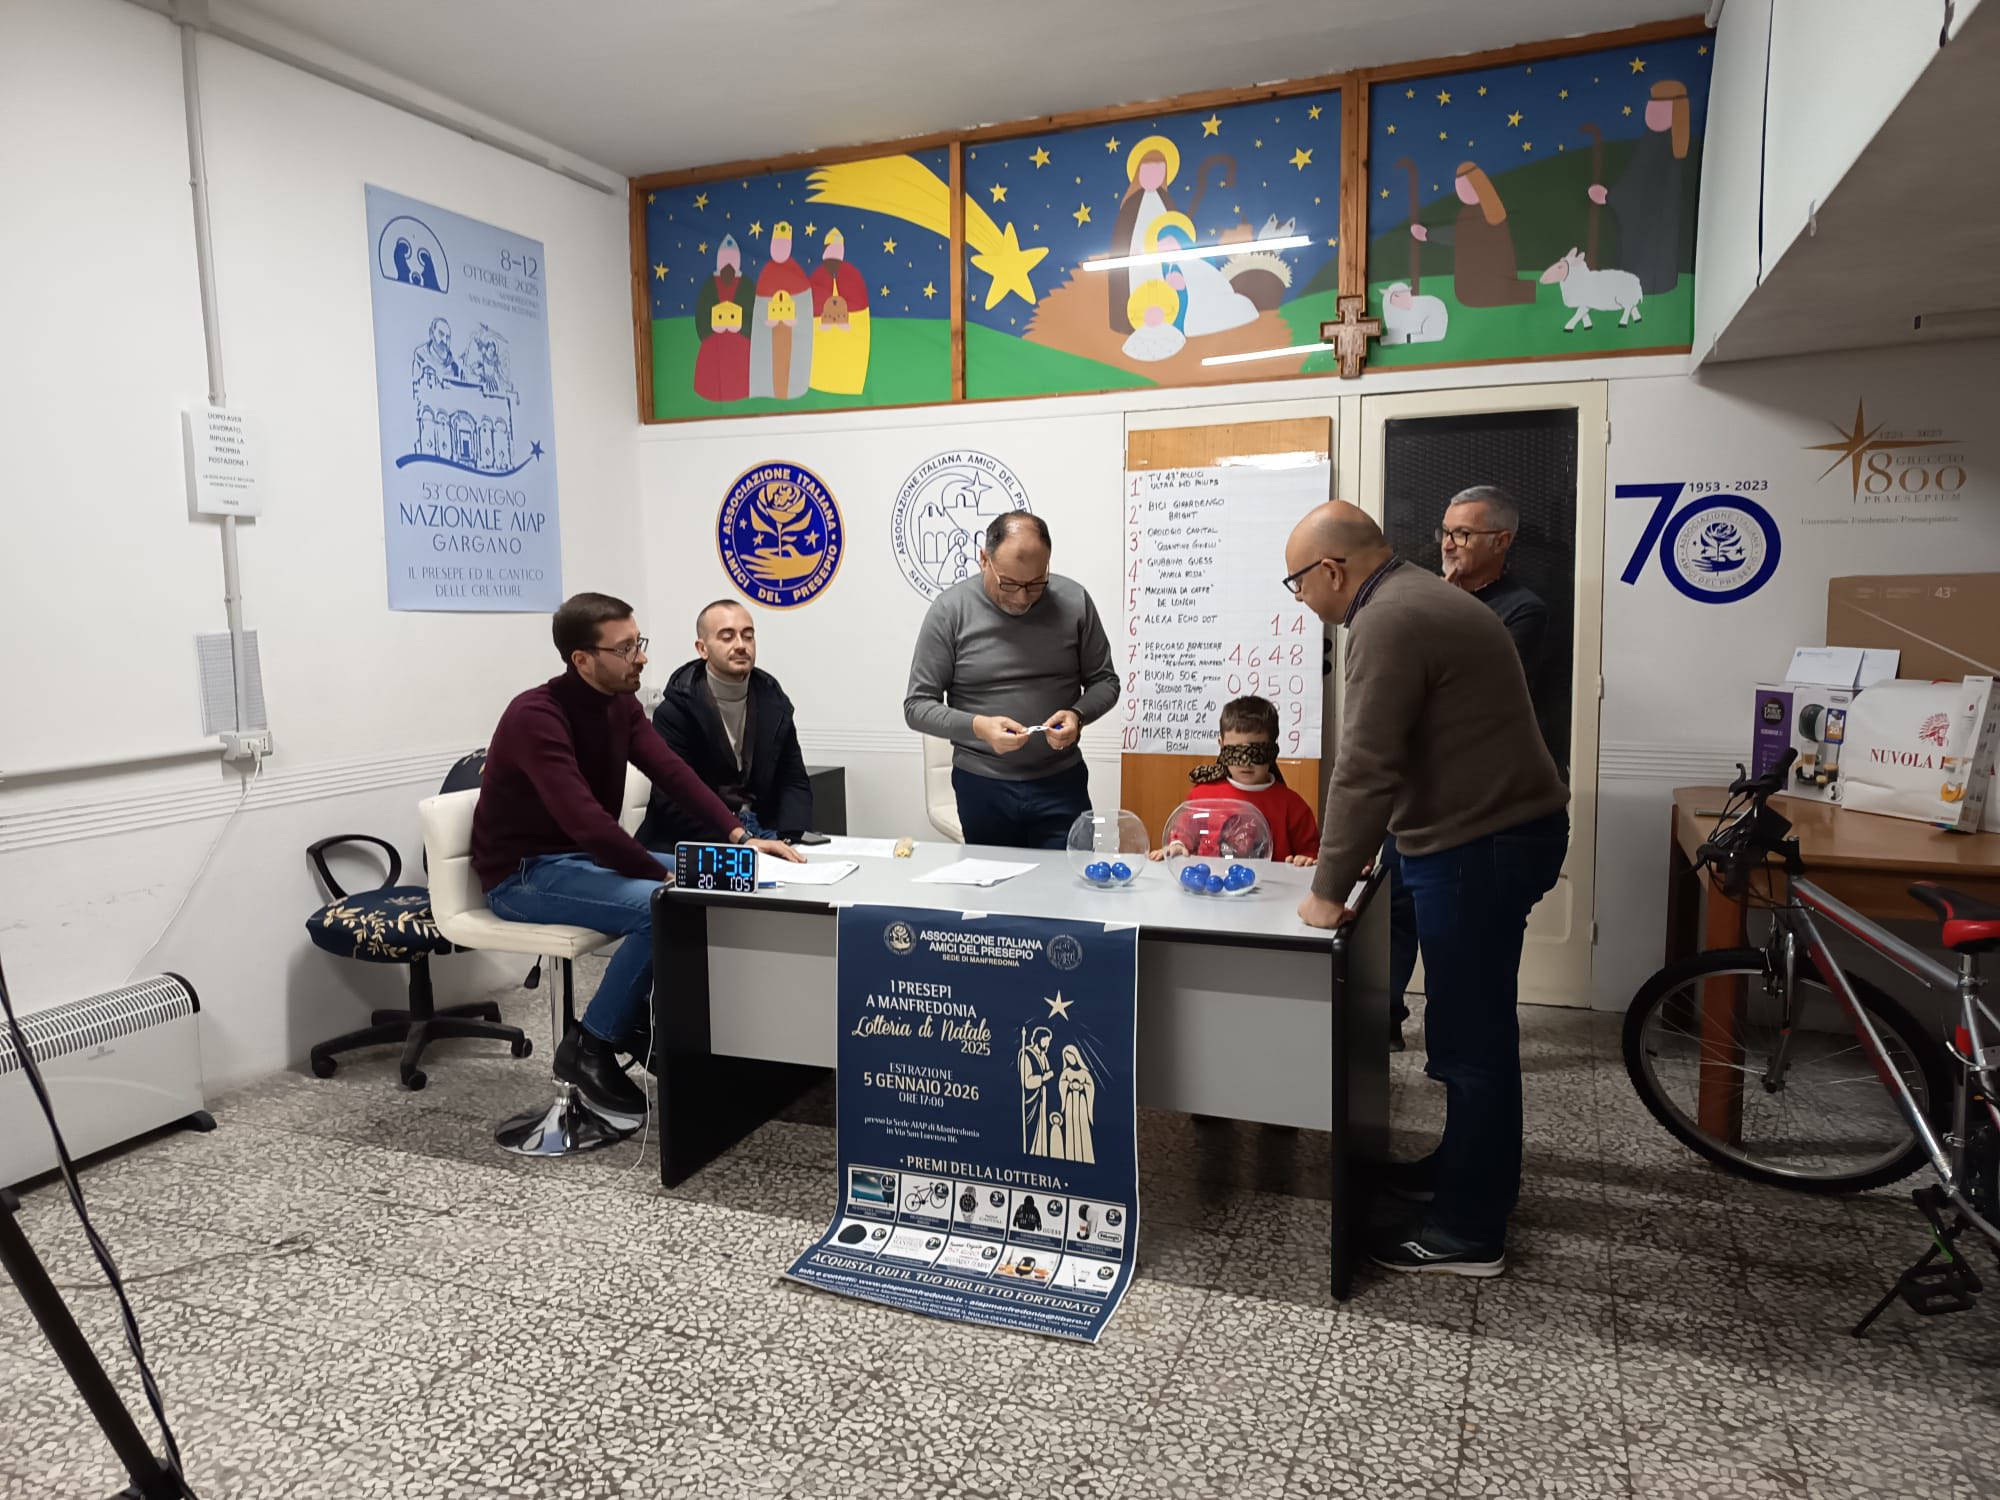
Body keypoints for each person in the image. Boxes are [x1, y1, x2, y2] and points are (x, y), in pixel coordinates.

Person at [1285, 503, 1569, 1277]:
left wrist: (1326, 888)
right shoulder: (1415, 595)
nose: (1301, 599)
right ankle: (1464, 1170)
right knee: (1472, 1029)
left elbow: (1367, 764)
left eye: (1298, 583)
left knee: (1471, 1040)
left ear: (1332, 570)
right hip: (1480, 835)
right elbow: (1414, 749)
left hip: (1480, 845)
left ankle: (1470, 1230)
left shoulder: (1387, 619)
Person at [471, 593, 801, 1127]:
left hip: (581, 859)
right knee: (662, 903)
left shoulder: (619, 706)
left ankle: (646, 1023)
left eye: (638, 643)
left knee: (726, 878)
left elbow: (674, 774)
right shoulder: (536, 716)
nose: (642, 658)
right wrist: (664, 874)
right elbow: (586, 821)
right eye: (626, 648)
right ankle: (592, 1045)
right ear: (583, 659)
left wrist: (739, 837)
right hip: (525, 874)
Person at [1384, 485, 1554, 1048]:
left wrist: (1442, 601)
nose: (1449, 544)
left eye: (1463, 533)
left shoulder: (1522, 609)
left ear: (1501, 541)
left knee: (1460, 944)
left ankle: (1458, 1049)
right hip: (1413, 792)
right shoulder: (1428, 596)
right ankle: (1382, 1019)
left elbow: (1467, 698)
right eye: (1446, 531)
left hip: (1476, 807)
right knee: (1391, 908)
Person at [904, 513, 1119, 849]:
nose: (1022, 598)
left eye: (1036, 584)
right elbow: (917, 707)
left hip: (1061, 781)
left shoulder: (1074, 601)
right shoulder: (950, 611)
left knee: (1069, 879)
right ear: (984, 560)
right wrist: (979, 727)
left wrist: (1078, 715)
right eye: (1010, 584)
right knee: (992, 880)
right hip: (982, 784)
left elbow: (1105, 681)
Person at [639, 599, 813, 850]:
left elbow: (793, 781)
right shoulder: (675, 711)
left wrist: (793, 840)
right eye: (727, 637)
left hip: (765, 829)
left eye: (748, 636)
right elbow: (674, 799)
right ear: (702, 649)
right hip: (699, 838)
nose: (741, 645)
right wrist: (741, 840)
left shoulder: (774, 703)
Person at [1148, 695, 1321, 864]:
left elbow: (1311, 854)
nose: (1246, 762)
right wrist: (1177, 846)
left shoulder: (1293, 806)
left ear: (1273, 750)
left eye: (1255, 752)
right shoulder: (1201, 798)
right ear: (1221, 745)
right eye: (1236, 752)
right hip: (1210, 881)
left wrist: (1306, 860)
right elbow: (1183, 836)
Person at [1589, 80, 1694, 296]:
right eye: (1651, 104)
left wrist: (1609, 197)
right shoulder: (1669, 145)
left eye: (1657, 105)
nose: (1650, 109)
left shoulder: (1658, 146)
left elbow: (1638, 186)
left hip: (1648, 228)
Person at [1409, 162, 1536, 307]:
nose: (1461, 192)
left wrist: (1428, 234)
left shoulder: (1488, 212)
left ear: (1478, 186)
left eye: (1465, 187)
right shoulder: (1471, 212)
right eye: (1459, 187)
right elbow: (1461, 235)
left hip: (1487, 280)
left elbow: (1459, 236)